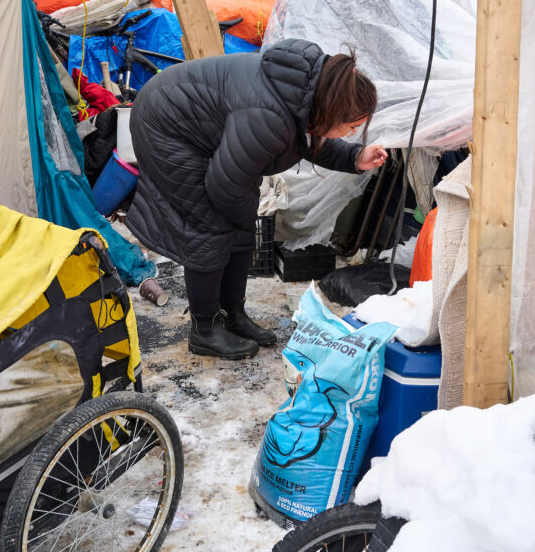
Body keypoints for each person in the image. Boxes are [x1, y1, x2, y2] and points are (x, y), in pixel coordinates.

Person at [126, 39, 388, 359]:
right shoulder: (270, 115)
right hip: (166, 125)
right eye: (352, 127)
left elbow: (308, 138)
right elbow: (224, 186)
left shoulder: (304, 93)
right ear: (333, 110)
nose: (350, 134)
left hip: (198, 125)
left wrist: (356, 156)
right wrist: (238, 222)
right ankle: (205, 329)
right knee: (208, 228)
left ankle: (232, 314)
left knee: (241, 223)